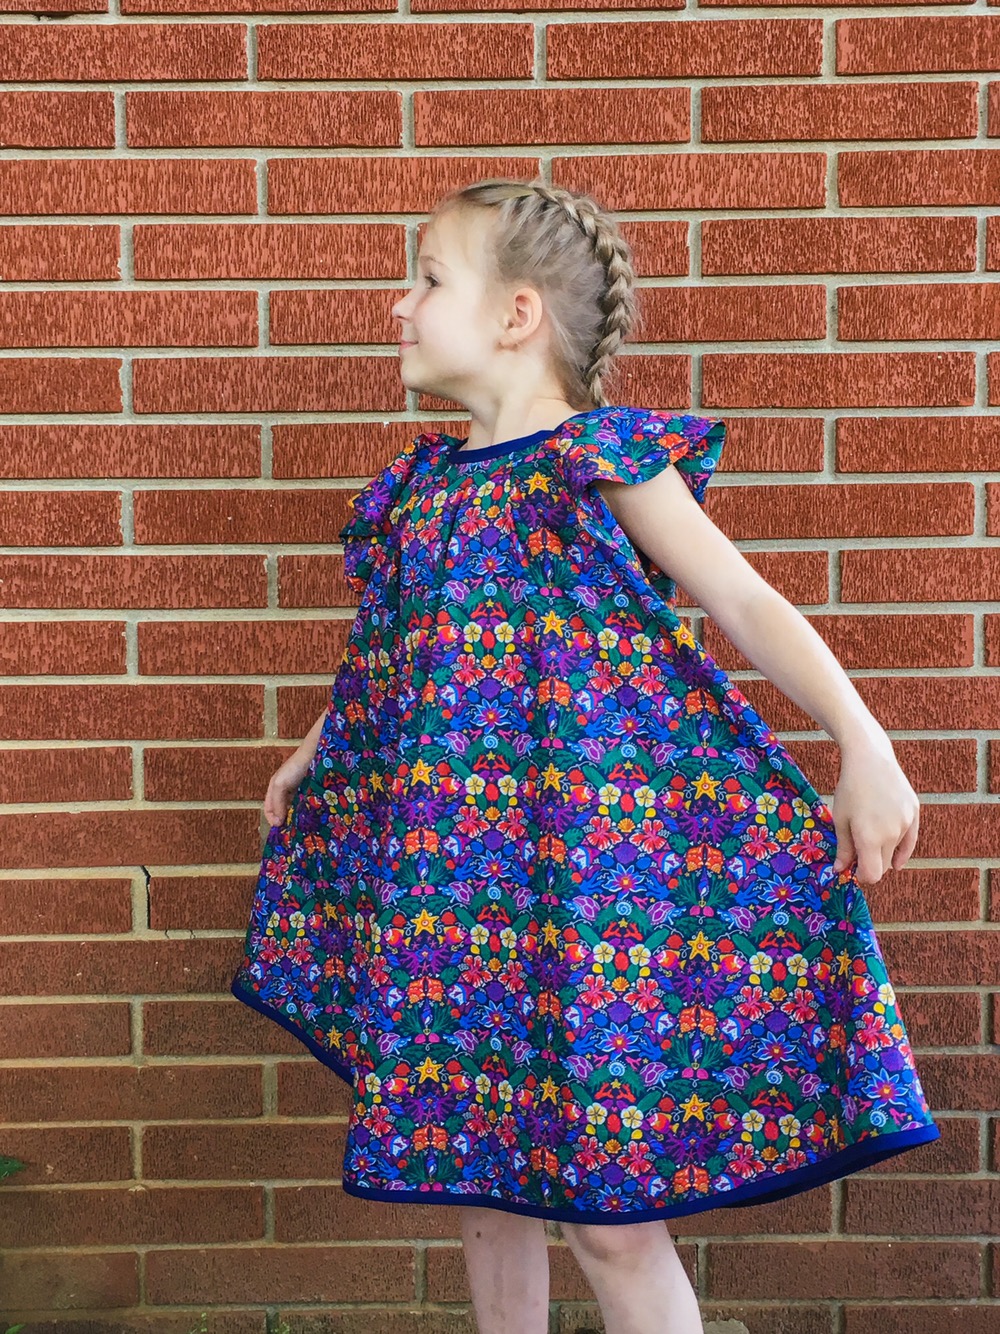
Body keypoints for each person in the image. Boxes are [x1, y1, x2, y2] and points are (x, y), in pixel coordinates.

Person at [231, 178, 940, 1334]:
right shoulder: (420, 495)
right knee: (477, 1173)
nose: (398, 303)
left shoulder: (596, 461)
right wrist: (322, 743)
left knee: (611, 1219)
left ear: (517, 315)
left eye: (427, 279)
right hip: (456, 892)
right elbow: (402, 655)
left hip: (589, 891)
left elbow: (744, 601)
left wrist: (864, 743)